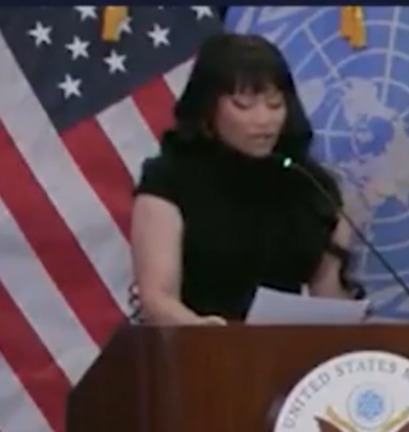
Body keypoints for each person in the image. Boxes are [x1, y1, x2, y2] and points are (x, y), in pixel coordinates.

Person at [130, 33, 358, 326]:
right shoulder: (169, 179)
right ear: (208, 107)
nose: (264, 120)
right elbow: (157, 298)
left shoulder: (311, 184)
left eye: (275, 104)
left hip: (284, 347)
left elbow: (328, 296)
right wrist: (203, 331)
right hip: (197, 344)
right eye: (243, 105)